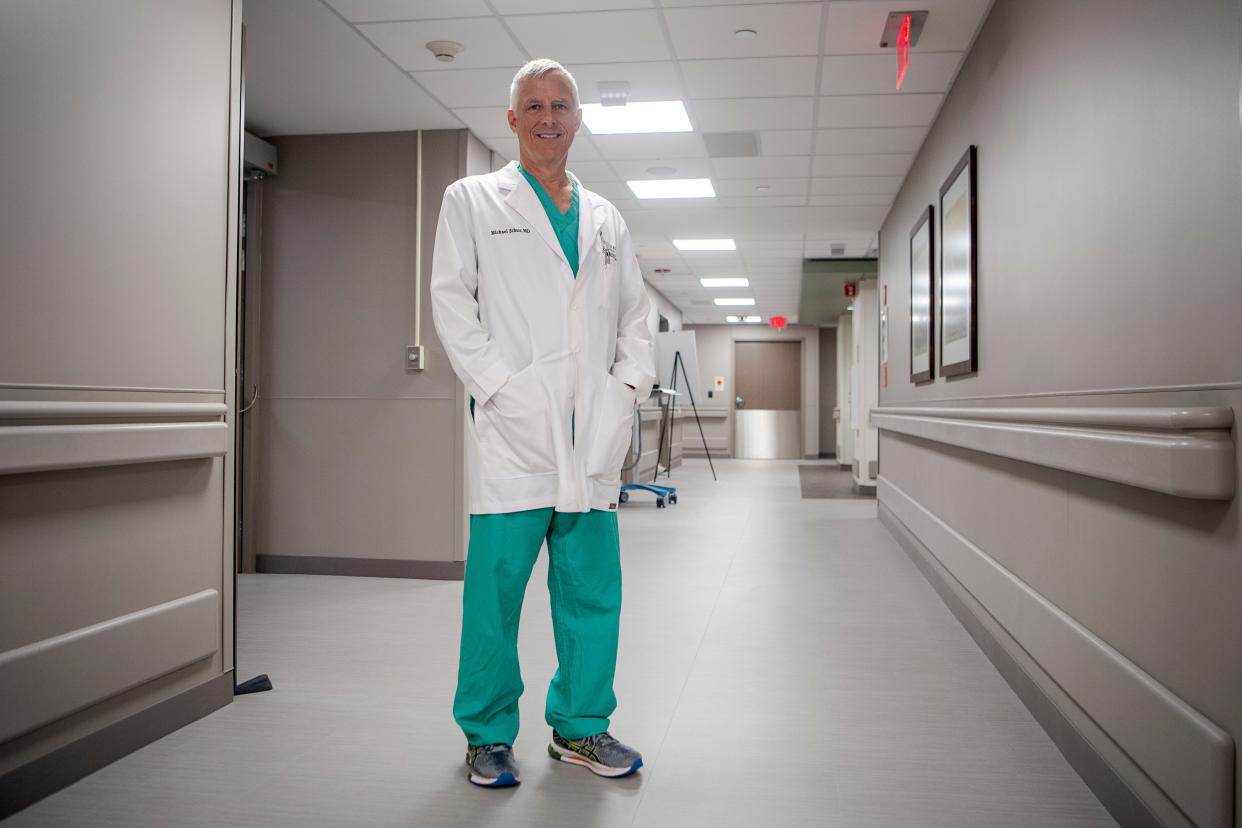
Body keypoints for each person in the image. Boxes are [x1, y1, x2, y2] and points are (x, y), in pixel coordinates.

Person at [430, 58, 657, 789]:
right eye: (534, 105)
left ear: (578, 117)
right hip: (515, 434)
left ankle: (581, 729)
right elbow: (451, 306)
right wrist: (501, 388)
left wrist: (625, 392)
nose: (549, 117)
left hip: (592, 433)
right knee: (494, 594)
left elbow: (633, 317)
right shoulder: (470, 200)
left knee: (592, 589)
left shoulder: (608, 219)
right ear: (513, 119)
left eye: (561, 104)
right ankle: (489, 735)